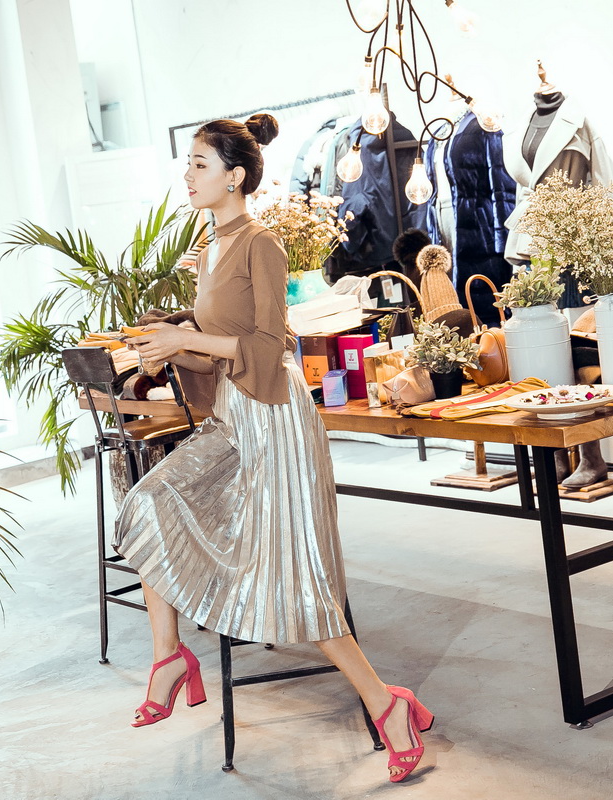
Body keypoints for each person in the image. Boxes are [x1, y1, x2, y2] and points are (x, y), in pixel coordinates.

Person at [113, 114, 433, 783]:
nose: (188, 175)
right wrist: (167, 346)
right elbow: (219, 343)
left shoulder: (262, 244)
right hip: (234, 418)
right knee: (148, 503)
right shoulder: (211, 246)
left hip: (277, 420)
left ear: (235, 176)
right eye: (188, 163)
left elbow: (268, 347)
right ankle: (169, 656)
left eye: (200, 164)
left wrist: (185, 339)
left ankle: (387, 705)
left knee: (298, 578)